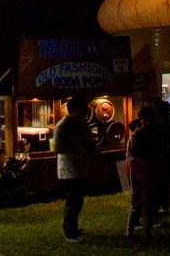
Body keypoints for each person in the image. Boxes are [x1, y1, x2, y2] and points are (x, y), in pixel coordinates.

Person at [52, 96, 96, 244]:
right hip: (68, 169)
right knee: (73, 201)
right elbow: (57, 148)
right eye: (83, 109)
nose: (86, 112)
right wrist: (78, 148)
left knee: (78, 201)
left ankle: (71, 227)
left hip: (81, 167)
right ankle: (69, 232)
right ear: (75, 110)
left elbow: (89, 141)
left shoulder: (82, 124)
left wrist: (91, 149)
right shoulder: (63, 125)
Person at [125, 105, 161, 240]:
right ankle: (145, 231)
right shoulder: (152, 134)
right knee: (147, 201)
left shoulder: (137, 134)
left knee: (137, 201)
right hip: (146, 168)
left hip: (138, 169)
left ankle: (131, 231)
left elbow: (134, 153)